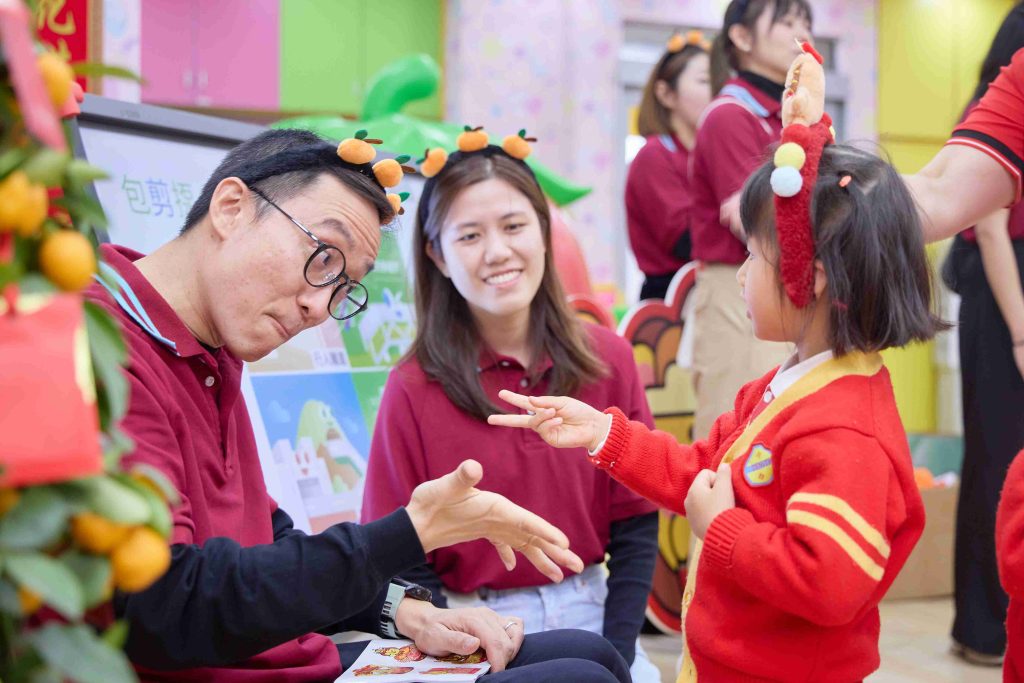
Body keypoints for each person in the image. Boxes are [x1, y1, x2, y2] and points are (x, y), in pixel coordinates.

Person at [84, 128, 632, 683]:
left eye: (343, 287)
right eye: (321, 257)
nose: (320, 307)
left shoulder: (206, 347)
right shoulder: (101, 347)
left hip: (291, 657)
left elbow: (263, 537)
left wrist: (404, 611)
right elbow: (164, 605)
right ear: (231, 207)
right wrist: (408, 533)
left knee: (595, 655)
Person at [489, 50, 946, 679]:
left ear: (806, 279)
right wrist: (603, 434)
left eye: (752, 257)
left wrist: (721, 529)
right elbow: (704, 473)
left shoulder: (845, 430)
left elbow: (830, 582)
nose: (739, 276)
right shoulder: (782, 386)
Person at [361, 132, 661, 681]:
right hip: (471, 625)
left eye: (514, 226)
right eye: (469, 235)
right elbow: (398, 553)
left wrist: (617, 651)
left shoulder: (610, 359)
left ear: (544, 233)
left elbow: (637, 527)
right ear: (437, 255)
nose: (497, 251)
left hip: (599, 613)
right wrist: (458, 644)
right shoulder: (411, 386)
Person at [940, 3, 1024, 667]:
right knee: (998, 458)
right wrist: (1022, 334)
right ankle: (984, 622)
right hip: (1004, 299)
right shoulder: (997, 110)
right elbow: (991, 226)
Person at [687, 0, 812, 439]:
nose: (801, 33)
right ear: (741, 38)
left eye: (805, 22)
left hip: (785, 290)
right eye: (787, 22)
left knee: (778, 436)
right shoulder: (730, 115)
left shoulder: (791, 116)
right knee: (732, 439)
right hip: (736, 292)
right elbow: (756, 220)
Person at [625, 30, 711, 301]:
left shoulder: (706, 154)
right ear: (666, 93)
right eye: (705, 80)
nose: (718, 91)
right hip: (671, 298)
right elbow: (685, 241)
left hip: (706, 288)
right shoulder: (654, 155)